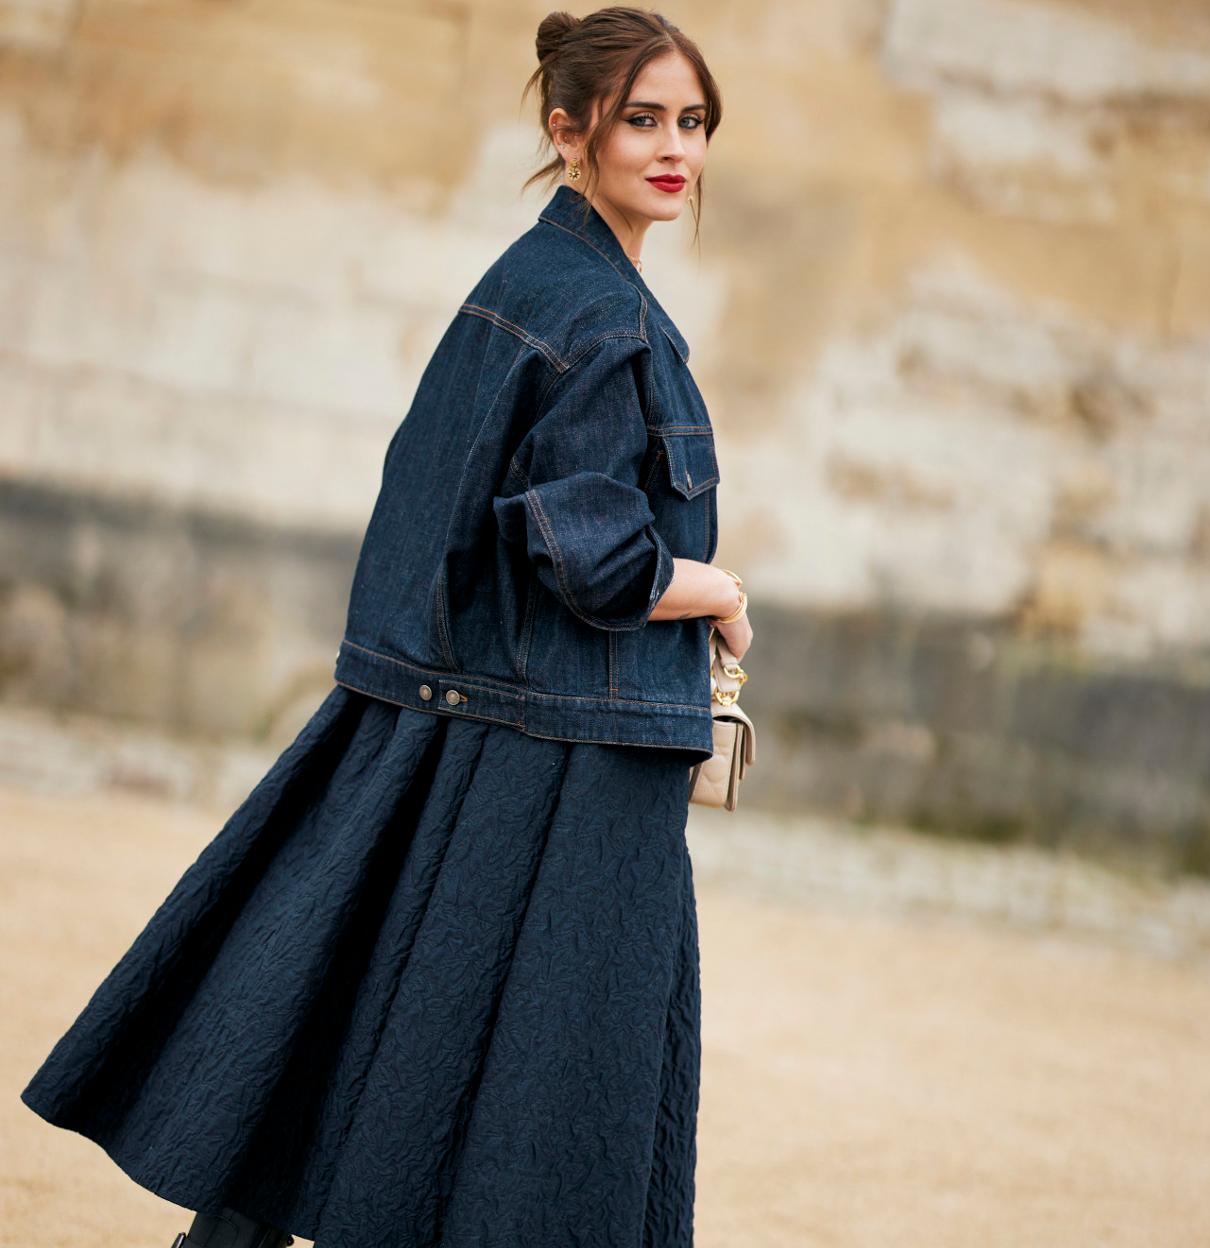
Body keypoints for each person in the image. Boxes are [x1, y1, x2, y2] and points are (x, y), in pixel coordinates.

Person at [18, 7, 751, 1246]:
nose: (673, 148)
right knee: (547, 1100)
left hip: (472, 726)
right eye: (641, 119)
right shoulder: (603, 316)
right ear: (567, 130)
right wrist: (722, 594)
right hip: (564, 765)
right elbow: (593, 553)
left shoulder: (530, 281)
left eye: (691, 122)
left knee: (360, 1041)